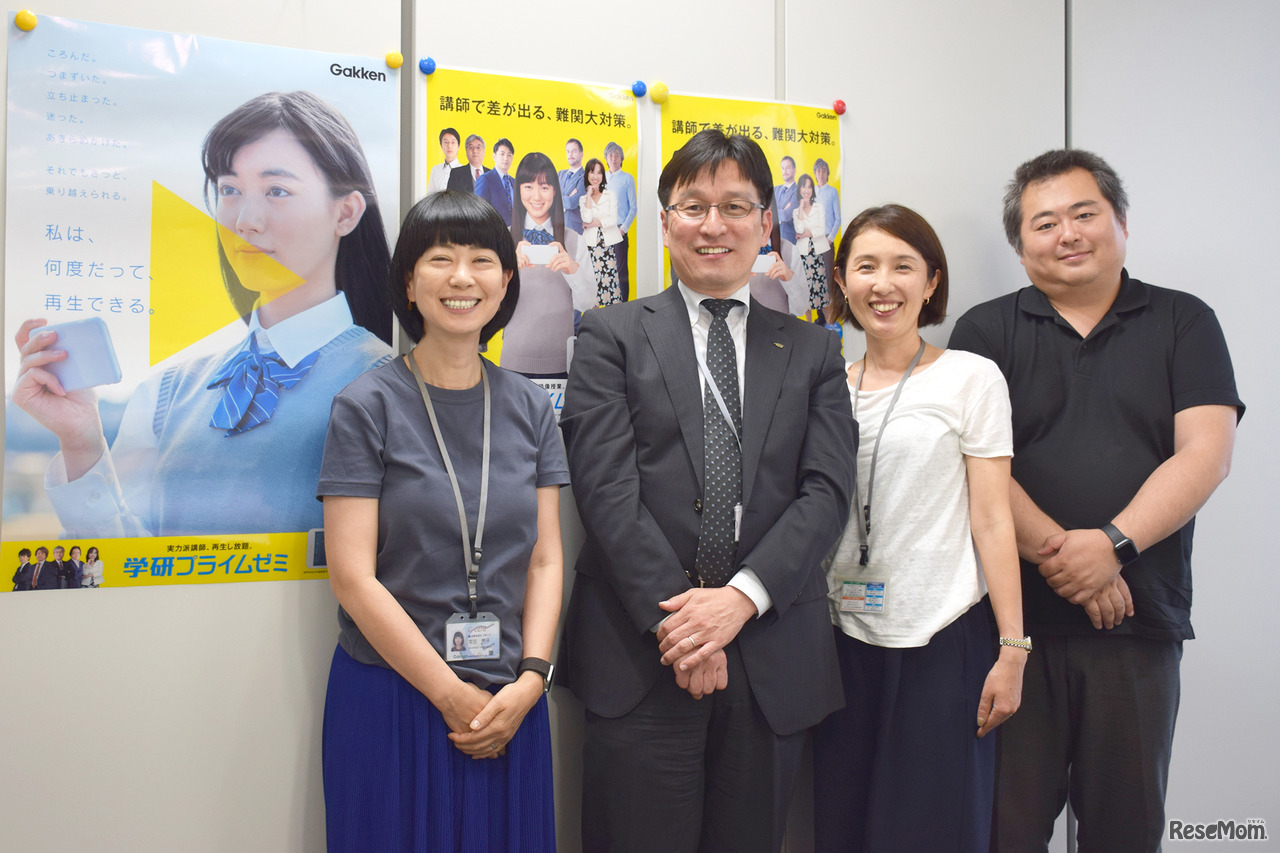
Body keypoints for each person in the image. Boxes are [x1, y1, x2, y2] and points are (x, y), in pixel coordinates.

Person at [558, 129, 856, 852]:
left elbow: (826, 491)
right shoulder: (609, 335)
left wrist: (740, 600)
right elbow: (605, 491)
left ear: (765, 222)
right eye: (693, 207)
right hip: (641, 651)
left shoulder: (814, 348)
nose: (713, 225)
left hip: (769, 654)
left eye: (735, 206)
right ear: (665, 223)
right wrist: (687, 629)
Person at [948, 149, 1243, 852]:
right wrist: (1071, 560)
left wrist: (1111, 546)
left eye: (1085, 214)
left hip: (1137, 626)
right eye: (1045, 223)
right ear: (1021, 247)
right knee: (1002, 831)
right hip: (1007, 635)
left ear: (1121, 223)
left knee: (1125, 832)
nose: (1068, 234)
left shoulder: (1184, 320)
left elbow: (1206, 453)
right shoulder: (984, 332)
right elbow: (971, 468)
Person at [13, 91, 394, 538]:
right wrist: (81, 442)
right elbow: (122, 565)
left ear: (345, 212)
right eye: (230, 190)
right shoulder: (166, 394)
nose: (246, 220)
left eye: (277, 191)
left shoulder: (391, 383)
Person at [318, 190, 567, 852]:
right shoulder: (365, 406)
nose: (462, 277)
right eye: (440, 259)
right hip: (393, 696)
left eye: (482, 260)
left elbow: (546, 558)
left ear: (506, 281)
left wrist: (533, 677)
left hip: (509, 700)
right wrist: (449, 692)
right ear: (409, 281)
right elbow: (352, 578)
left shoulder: (531, 408)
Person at [813, 204, 1026, 852]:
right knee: (845, 827)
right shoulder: (823, 386)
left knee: (933, 829)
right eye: (866, 266)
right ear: (842, 280)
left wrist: (1013, 648)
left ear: (931, 281)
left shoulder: (970, 378)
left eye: (903, 266)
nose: (884, 284)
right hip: (840, 639)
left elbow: (993, 517)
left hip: (942, 638)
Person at [503, 151, 595, 377]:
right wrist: (505, 273)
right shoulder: (503, 239)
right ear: (519, 190)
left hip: (561, 363)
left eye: (544, 187)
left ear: (555, 191)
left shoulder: (574, 240)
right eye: (528, 186)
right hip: (513, 359)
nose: (536, 196)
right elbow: (489, 306)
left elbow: (587, 304)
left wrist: (571, 269)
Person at [578, 157, 623, 307]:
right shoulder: (583, 199)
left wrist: (593, 224)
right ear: (587, 174)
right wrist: (589, 196)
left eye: (599, 173)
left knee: (611, 282)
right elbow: (586, 217)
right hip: (590, 246)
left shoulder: (610, 195)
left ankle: (615, 318)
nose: (595, 176)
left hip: (607, 245)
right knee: (592, 283)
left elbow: (613, 220)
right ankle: (594, 317)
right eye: (592, 172)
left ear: (603, 176)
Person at [792, 173, 831, 318]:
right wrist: (801, 208)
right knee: (805, 290)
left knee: (822, 291)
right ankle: (808, 324)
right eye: (804, 186)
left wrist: (808, 233)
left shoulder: (819, 207)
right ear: (799, 189)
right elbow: (799, 229)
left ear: (812, 189)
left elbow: (822, 230)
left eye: (809, 187)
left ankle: (829, 325)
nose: (806, 190)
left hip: (817, 254)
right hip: (803, 255)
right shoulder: (796, 211)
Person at [603, 142, 636, 301]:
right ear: (606, 158)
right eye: (610, 155)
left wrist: (623, 229)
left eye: (617, 155)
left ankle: (624, 305)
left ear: (621, 158)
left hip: (619, 231)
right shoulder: (602, 178)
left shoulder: (627, 179)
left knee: (621, 271)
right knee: (605, 269)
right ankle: (608, 305)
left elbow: (633, 208)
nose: (613, 158)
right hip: (603, 230)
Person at [813, 159, 841, 290]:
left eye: (824, 171)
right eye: (819, 171)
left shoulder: (832, 192)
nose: (821, 174)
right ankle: (817, 304)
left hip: (826, 239)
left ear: (828, 173)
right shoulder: (811, 191)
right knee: (814, 275)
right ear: (815, 173)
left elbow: (838, 219)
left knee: (828, 275)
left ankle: (830, 302)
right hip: (813, 240)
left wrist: (830, 239)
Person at [474, 138, 516, 226]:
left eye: (509, 155)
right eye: (502, 154)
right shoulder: (485, 179)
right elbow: (479, 212)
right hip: (494, 231)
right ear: (494, 156)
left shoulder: (514, 182)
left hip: (515, 232)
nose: (506, 158)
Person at [774, 155, 798, 270]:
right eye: (783, 168)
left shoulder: (798, 191)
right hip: (773, 237)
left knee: (787, 272)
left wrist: (777, 212)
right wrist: (782, 211)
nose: (785, 171)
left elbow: (787, 215)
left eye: (788, 167)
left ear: (794, 170)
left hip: (789, 239)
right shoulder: (776, 189)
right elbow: (768, 211)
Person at [559, 138, 586, 234]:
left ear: (581, 155)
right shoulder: (560, 174)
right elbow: (548, 198)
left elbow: (572, 203)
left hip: (573, 229)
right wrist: (568, 197)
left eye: (574, 151)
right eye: (568, 151)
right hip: (556, 226)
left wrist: (557, 198)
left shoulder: (585, 177)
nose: (570, 155)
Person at [426, 127, 463, 195]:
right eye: (446, 142)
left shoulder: (464, 171)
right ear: (441, 145)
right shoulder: (435, 170)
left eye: (453, 142)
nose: (449, 146)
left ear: (458, 146)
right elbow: (430, 196)